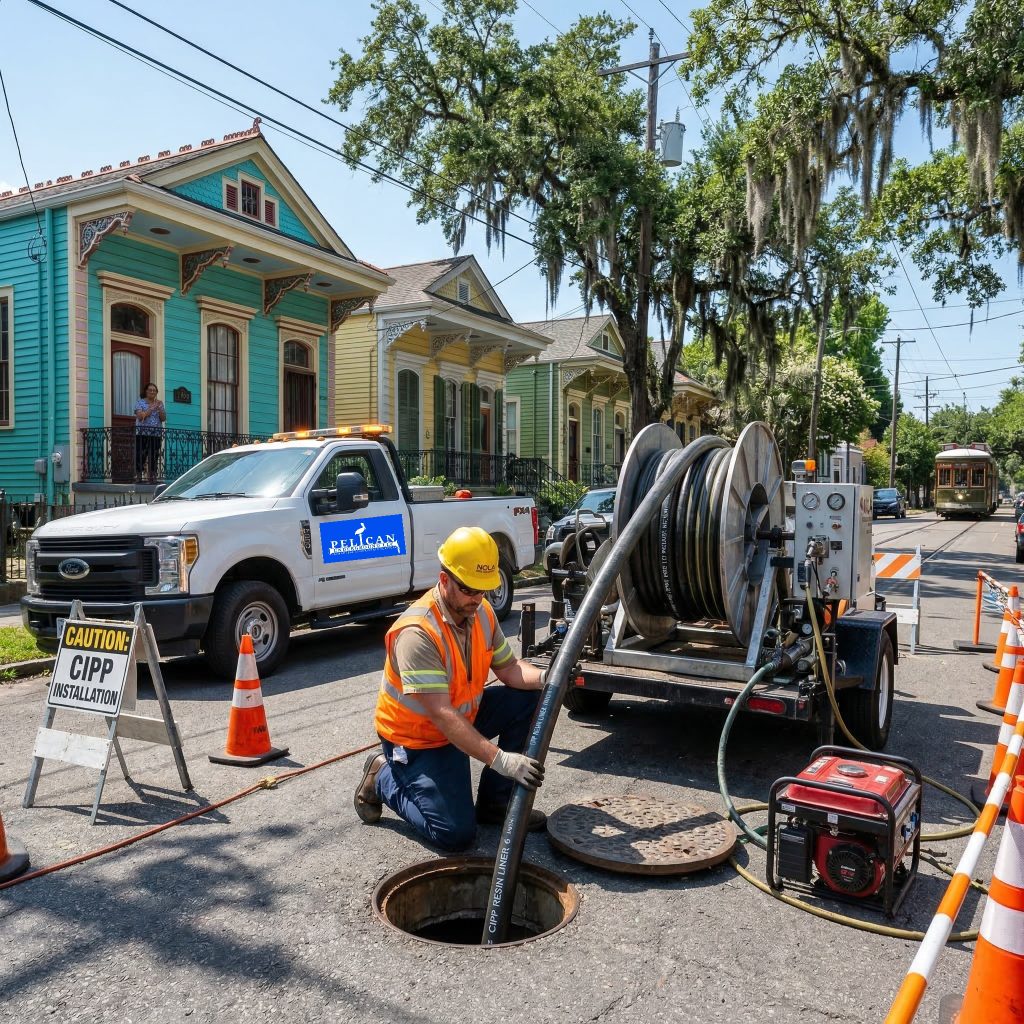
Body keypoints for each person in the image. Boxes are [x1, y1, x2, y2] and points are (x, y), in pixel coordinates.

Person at [354, 525, 547, 850]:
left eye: (484, 590)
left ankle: (495, 804)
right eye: (470, 589)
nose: (478, 598)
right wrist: (502, 760)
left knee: (531, 698)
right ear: (444, 581)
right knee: (455, 835)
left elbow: (511, 670)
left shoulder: (481, 612)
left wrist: (548, 678)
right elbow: (441, 715)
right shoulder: (418, 632)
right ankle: (383, 776)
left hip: (461, 717)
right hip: (419, 739)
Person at [134, 382, 166, 482]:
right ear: (146, 391)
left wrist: (160, 409)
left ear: (156, 392)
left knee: (154, 455)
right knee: (141, 455)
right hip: (142, 433)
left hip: (155, 433)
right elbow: (140, 416)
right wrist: (151, 408)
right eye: (150, 390)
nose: (152, 392)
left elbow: (163, 418)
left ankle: (152, 477)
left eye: (154, 390)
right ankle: (139, 477)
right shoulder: (140, 403)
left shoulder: (160, 403)